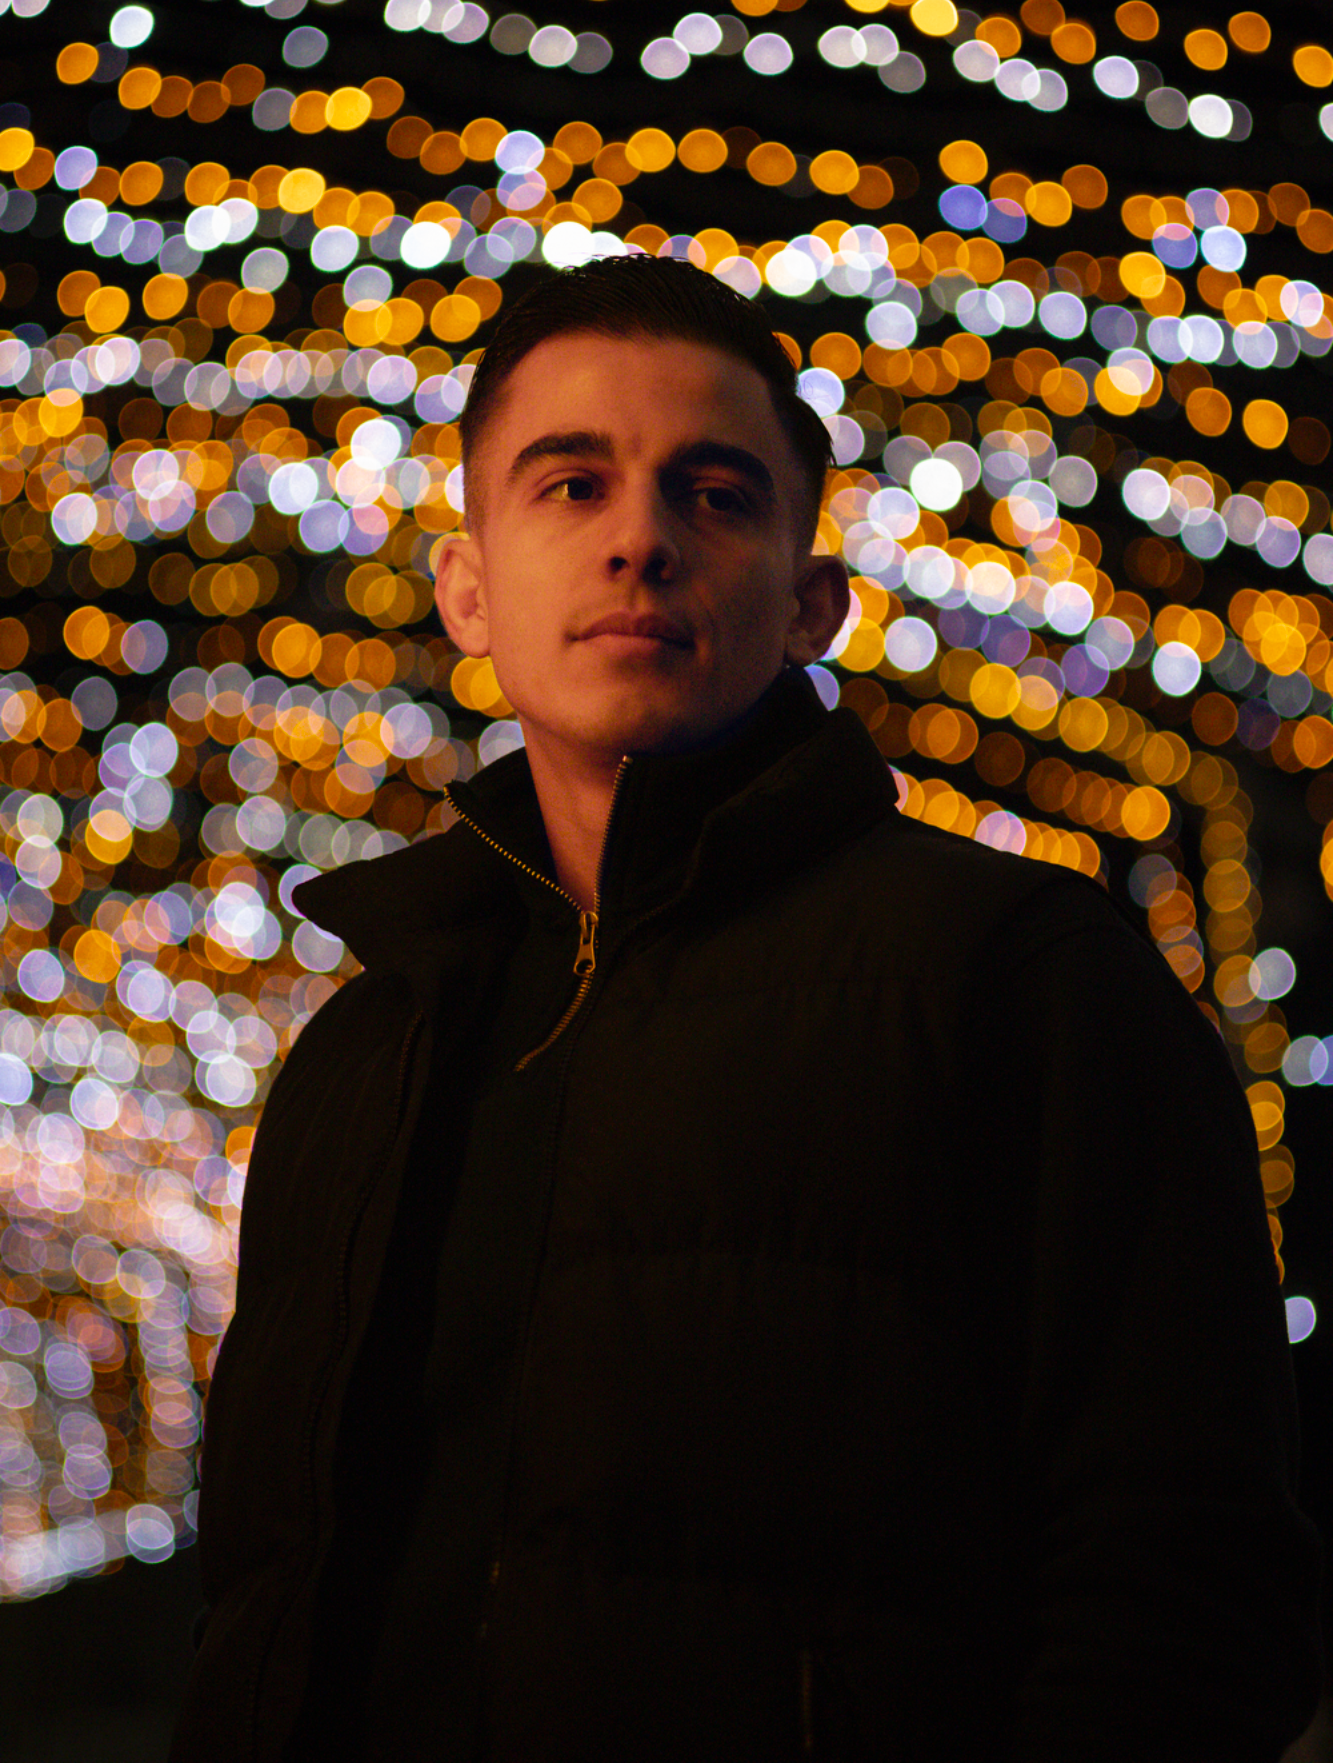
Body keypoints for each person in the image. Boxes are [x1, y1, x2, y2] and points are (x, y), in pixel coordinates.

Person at [172, 256, 1322, 1762]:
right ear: (468, 588)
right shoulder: (366, 1050)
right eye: (570, 487)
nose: (640, 539)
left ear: (811, 602)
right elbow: (270, 1595)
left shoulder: (1019, 982)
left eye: (715, 495)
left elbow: (1187, 1592)